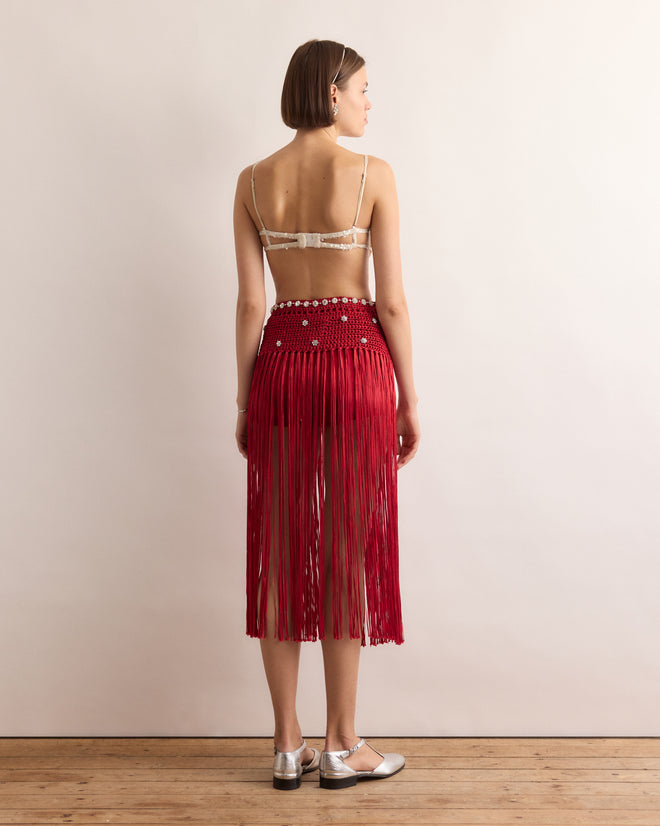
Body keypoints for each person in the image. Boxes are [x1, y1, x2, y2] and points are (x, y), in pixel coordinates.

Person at [233, 38, 420, 790]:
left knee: (281, 553)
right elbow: (394, 302)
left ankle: (287, 745)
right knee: (344, 550)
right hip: (354, 365)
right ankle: (343, 746)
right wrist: (410, 395)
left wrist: (245, 398)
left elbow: (252, 303)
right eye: (365, 89)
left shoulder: (251, 182)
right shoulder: (373, 175)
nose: (371, 103)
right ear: (332, 91)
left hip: (280, 365)